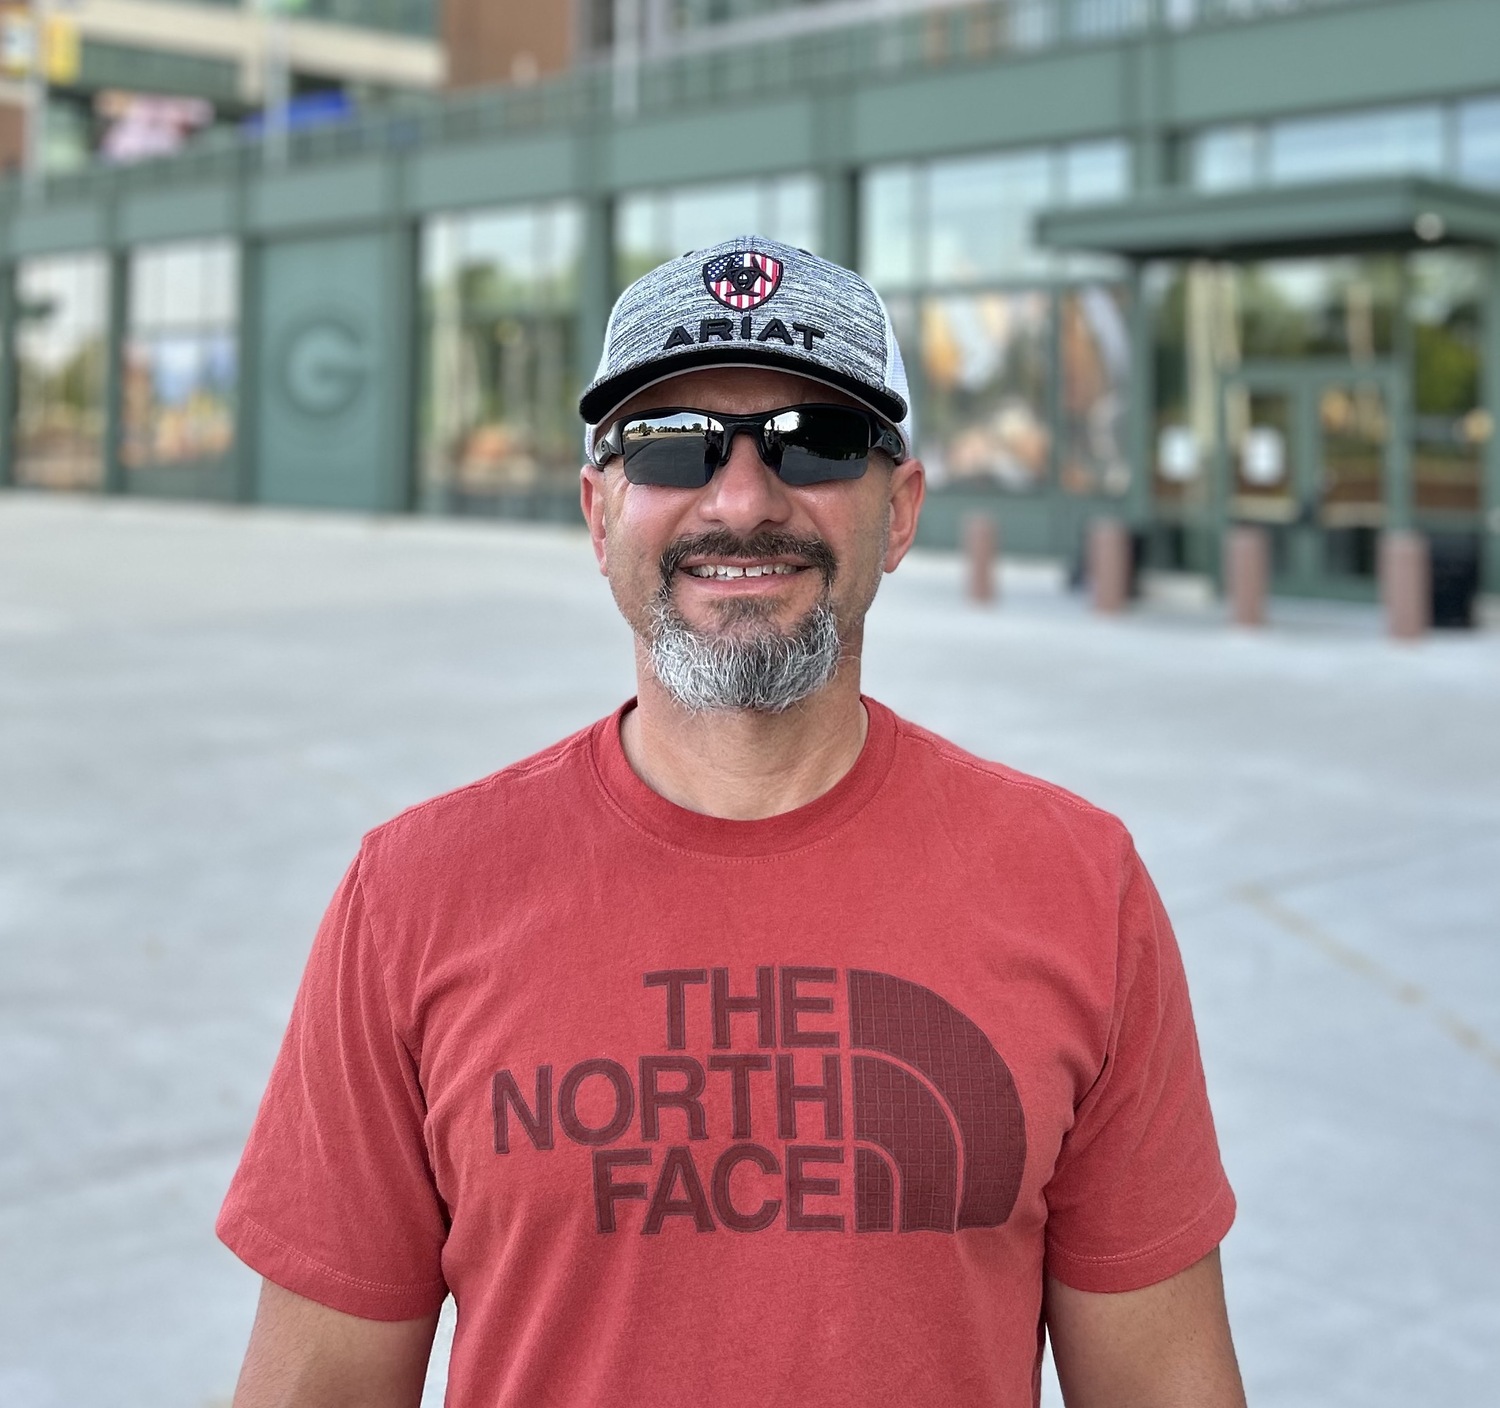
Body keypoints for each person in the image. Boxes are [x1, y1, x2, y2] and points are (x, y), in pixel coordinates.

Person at [219, 236, 1245, 1408]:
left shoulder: (1078, 885)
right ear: (600, 514)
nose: (745, 499)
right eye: (672, 445)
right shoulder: (413, 896)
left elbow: (1169, 1384)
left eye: (816, 442)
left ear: (899, 510)